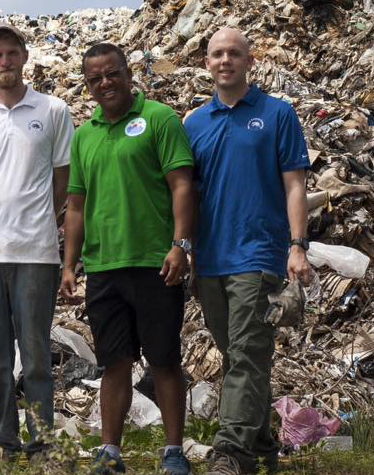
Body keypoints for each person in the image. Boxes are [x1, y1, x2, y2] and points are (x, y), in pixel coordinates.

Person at [60, 43, 195, 475]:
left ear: (128, 72)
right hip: (103, 269)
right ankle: (110, 451)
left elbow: (181, 186)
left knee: (163, 360)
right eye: (95, 78)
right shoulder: (85, 135)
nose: (105, 83)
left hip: (157, 263)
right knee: (114, 362)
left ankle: (174, 450)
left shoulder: (158, 119)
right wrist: (69, 264)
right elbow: (76, 207)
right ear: (88, 85)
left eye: (112, 74)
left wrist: (181, 245)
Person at [184, 28, 312, 475]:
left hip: (259, 255)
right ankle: (263, 444)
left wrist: (297, 246)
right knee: (241, 356)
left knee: (246, 352)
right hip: (211, 259)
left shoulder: (277, 114)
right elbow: (189, 195)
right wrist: (186, 249)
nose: (225, 60)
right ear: (206, 62)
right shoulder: (194, 123)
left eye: (234, 53)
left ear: (250, 61)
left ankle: (231, 453)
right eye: (217, 53)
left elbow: (295, 185)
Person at [0, 22, 75, 458]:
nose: (4, 62)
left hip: (36, 251)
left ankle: (42, 439)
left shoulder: (54, 110)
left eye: (11, 53)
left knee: (38, 354)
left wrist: (41, 213)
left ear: (25, 57)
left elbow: (63, 176)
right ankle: (3, 438)